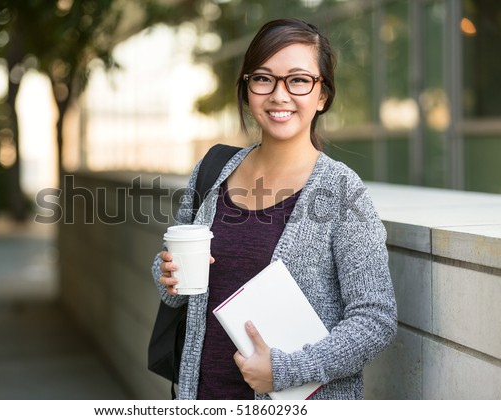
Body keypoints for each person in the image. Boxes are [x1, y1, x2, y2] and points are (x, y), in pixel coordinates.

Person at [151, 18, 397, 400]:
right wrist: (167, 274)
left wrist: (285, 370)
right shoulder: (214, 170)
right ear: (248, 88)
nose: (279, 95)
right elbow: (174, 276)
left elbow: (375, 320)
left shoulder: (342, 191)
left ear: (322, 96)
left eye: (298, 80)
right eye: (263, 79)